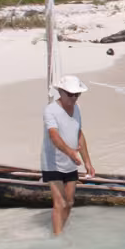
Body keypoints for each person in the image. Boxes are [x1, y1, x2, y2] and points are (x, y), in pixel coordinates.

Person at [41, 75, 96, 236]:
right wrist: (70, 152)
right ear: (60, 92)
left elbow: (79, 134)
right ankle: (57, 238)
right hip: (52, 163)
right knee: (60, 202)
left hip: (71, 162)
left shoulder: (77, 109)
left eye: (76, 94)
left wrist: (87, 162)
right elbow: (54, 136)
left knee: (70, 202)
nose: (73, 98)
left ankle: (61, 230)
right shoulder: (51, 110)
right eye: (70, 94)